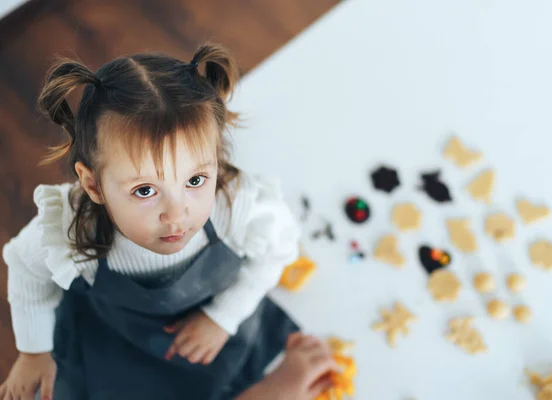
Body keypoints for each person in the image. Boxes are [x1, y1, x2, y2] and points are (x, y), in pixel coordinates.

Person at [0, 43, 336, 399]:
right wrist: (34, 351)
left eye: (194, 181)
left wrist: (222, 317)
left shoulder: (237, 206)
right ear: (94, 184)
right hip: (114, 340)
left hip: (208, 330)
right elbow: (26, 266)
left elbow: (276, 253)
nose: (177, 214)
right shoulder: (72, 227)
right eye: (145, 190)